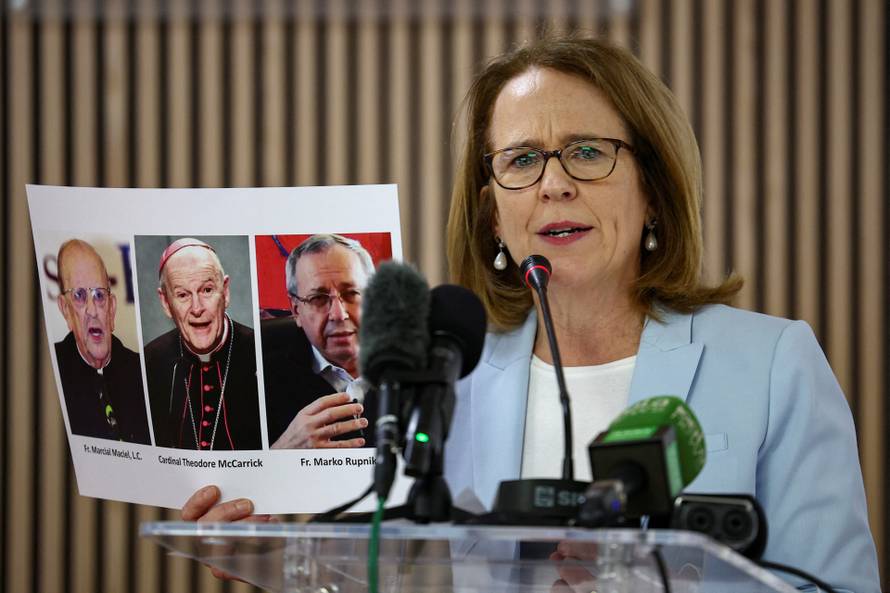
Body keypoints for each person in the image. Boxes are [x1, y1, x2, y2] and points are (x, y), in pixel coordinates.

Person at [181, 36, 879, 593]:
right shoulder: (441, 376)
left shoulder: (771, 365)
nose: (553, 183)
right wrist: (276, 556)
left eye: (586, 152)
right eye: (521, 160)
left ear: (654, 192)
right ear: (493, 217)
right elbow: (378, 575)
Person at [144, 238, 261, 451]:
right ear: (165, 303)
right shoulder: (149, 361)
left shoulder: (261, 354)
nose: (197, 308)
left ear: (225, 292)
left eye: (207, 290)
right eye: (182, 295)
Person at [262, 234, 375, 449]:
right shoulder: (262, 377)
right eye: (318, 298)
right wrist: (284, 450)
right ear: (296, 310)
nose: (338, 314)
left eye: (352, 293)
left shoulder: (415, 366)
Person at [54, 239, 150, 444]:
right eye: (79, 295)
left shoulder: (142, 372)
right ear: (65, 310)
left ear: (112, 308)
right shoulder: (53, 370)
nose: (92, 310)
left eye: (99, 295)